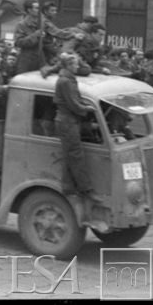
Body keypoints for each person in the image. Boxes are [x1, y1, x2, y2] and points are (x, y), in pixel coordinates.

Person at [52, 52, 98, 199]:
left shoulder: (67, 79)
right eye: (76, 64)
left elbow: (75, 100)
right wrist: (87, 109)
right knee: (76, 155)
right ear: (69, 65)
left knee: (70, 154)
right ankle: (86, 189)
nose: (78, 66)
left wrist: (83, 106)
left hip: (68, 120)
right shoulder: (66, 81)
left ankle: (68, 187)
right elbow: (73, 103)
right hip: (67, 121)